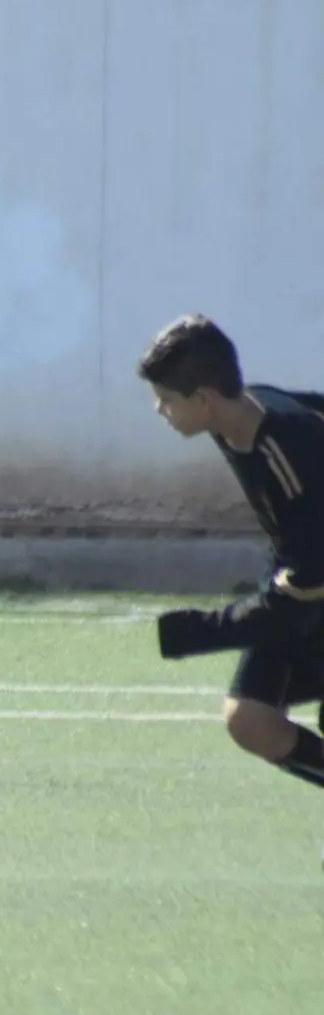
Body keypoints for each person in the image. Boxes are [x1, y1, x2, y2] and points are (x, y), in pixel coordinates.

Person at [143, 314, 324, 808]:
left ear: (204, 398)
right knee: (251, 720)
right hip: (303, 572)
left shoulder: (288, 453)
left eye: (166, 399)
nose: (159, 409)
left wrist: (199, 631)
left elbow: (300, 591)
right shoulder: (240, 417)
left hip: (311, 581)